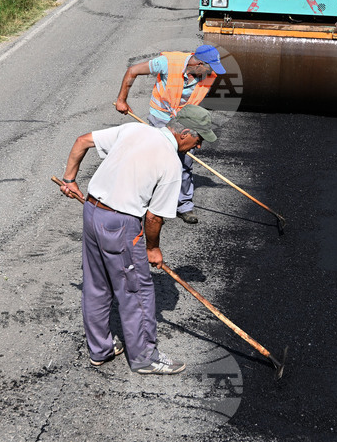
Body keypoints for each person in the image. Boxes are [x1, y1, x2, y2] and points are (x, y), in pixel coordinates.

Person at [59, 105, 218, 374]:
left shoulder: (135, 130)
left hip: (92, 212)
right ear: (185, 133)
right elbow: (154, 217)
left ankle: (100, 349)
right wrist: (152, 249)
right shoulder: (170, 163)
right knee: (138, 291)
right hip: (120, 225)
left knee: (97, 285)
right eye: (199, 140)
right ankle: (145, 357)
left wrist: (69, 179)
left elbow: (82, 141)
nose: (198, 147)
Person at [114, 45, 226, 224]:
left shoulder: (208, 75)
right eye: (210, 67)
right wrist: (122, 100)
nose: (212, 73)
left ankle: (184, 206)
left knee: (186, 162)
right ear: (199, 64)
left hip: (185, 121)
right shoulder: (168, 63)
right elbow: (132, 70)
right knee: (154, 162)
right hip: (161, 118)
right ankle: (148, 205)